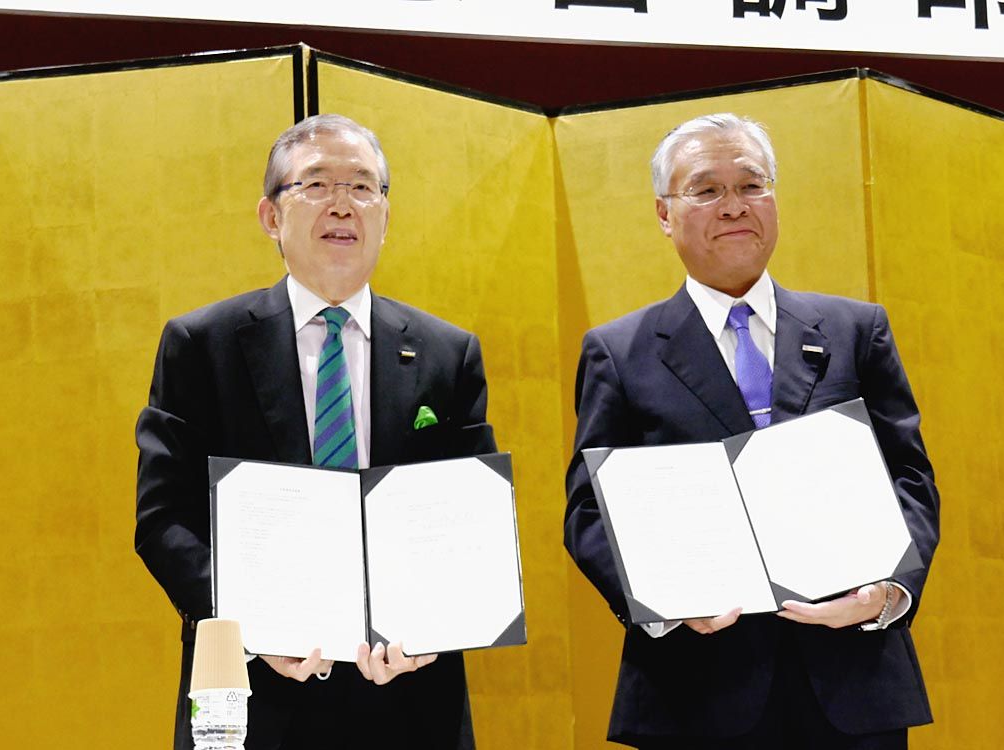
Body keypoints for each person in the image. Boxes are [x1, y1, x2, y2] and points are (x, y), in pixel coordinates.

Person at [564, 113, 940, 749]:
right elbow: (588, 513)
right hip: (694, 691)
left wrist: (889, 591)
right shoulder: (620, 352)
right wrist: (666, 603)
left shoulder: (855, 329)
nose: (733, 206)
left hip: (853, 683)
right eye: (706, 190)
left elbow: (909, 477)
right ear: (663, 213)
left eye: (751, 185)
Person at [136, 114, 495, 750]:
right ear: (271, 217)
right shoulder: (201, 345)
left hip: (410, 697)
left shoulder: (447, 353)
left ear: (386, 214)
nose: (342, 205)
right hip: (253, 693)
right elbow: (164, 519)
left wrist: (434, 629)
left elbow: (469, 524)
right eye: (316, 185)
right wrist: (250, 627)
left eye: (364, 187)